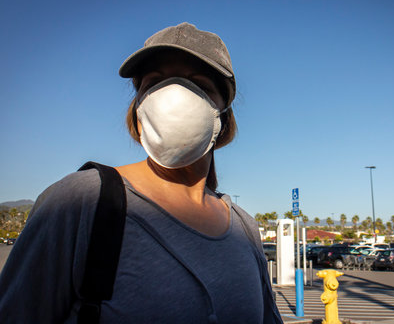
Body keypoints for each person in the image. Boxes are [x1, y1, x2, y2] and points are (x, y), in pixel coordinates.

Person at [0, 22, 283, 324]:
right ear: (138, 107)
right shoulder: (80, 201)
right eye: (155, 82)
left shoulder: (244, 228)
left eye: (197, 83)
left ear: (223, 116)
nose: (174, 97)